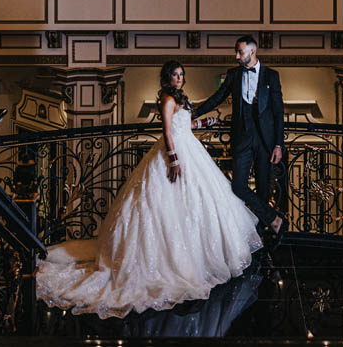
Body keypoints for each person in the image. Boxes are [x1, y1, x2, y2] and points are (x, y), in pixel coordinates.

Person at [36, 61, 263, 319]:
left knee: (201, 204)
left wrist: (204, 124)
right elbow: (167, 131)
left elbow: (184, 126)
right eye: (175, 75)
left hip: (190, 149)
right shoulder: (167, 98)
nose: (179, 78)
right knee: (159, 208)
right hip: (174, 154)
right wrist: (174, 159)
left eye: (181, 75)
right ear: (167, 78)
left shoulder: (180, 97)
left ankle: (199, 257)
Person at [193, 35, 287, 246]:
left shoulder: (271, 76)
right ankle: (274, 219)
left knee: (264, 187)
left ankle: (261, 233)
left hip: (265, 140)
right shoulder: (233, 74)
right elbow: (218, 97)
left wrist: (278, 144)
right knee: (238, 186)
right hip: (242, 138)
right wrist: (194, 113)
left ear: (252, 52)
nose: (236, 56)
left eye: (240, 52)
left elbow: (279, 112)